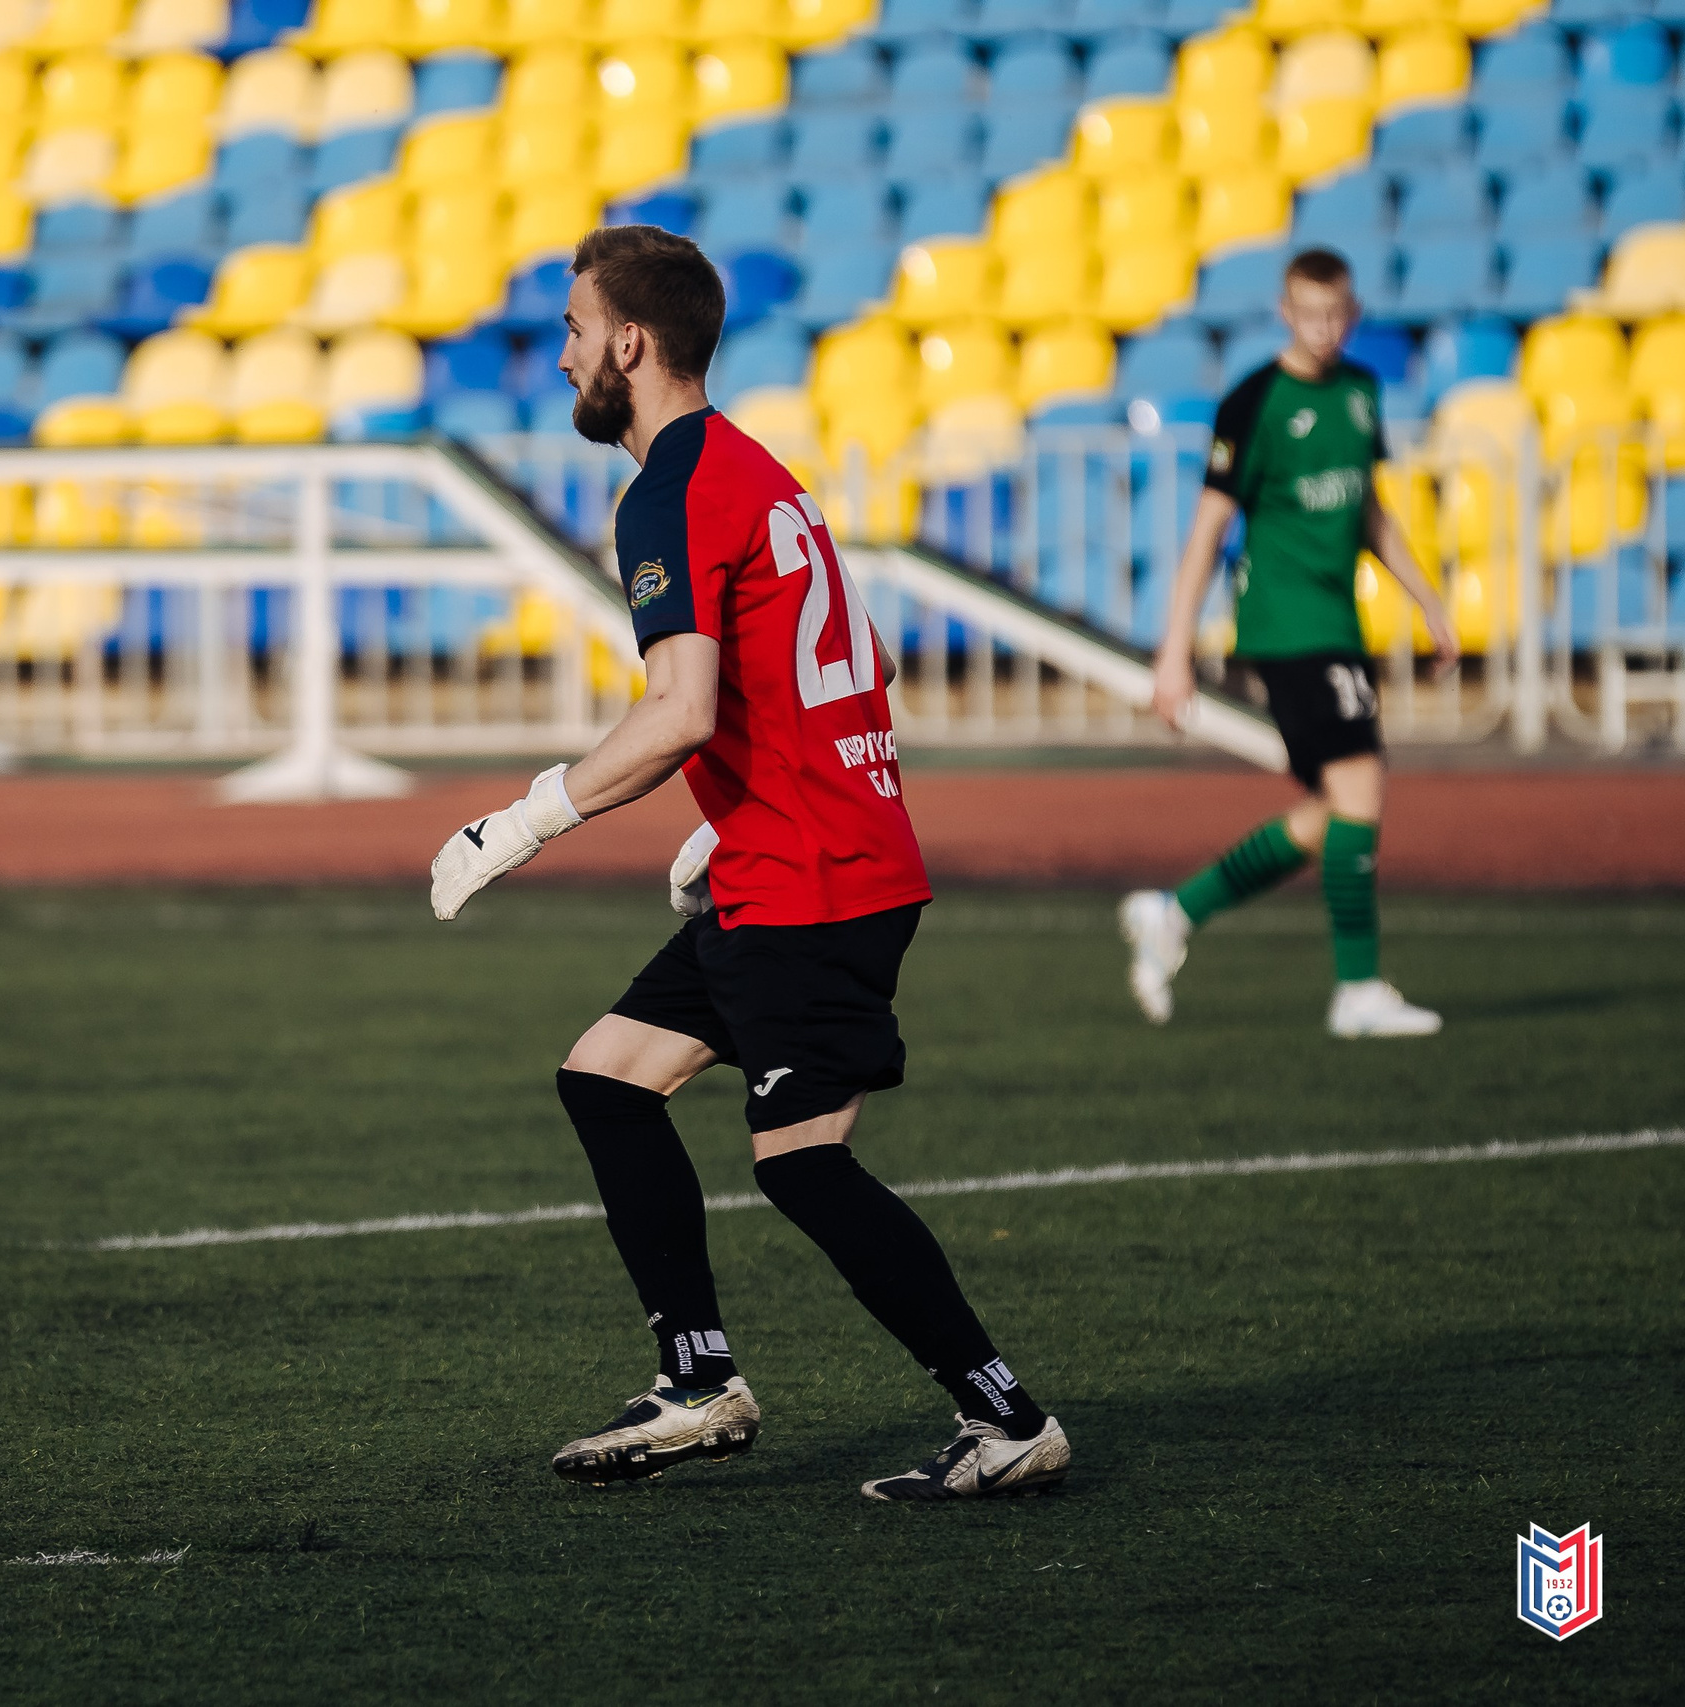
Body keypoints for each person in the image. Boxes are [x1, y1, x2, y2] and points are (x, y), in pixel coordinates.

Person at [427, 226, 1069, 1502]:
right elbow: (867, 663)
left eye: (571, 331)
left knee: (803, 1164)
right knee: (606, 1079)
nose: (559, 359)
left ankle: (1005, 1419)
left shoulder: (667, 490)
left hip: (812, 879)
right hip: (790, 858)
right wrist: (735, 816)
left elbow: (678, 713)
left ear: (628, 343)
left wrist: (524, 821)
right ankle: (698, 1380)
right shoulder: (756, 469)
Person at [1124, 247, 1460, 1038]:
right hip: (1285, 626)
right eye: (1308, 313)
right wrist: (1174, 650)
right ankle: (1358, 990)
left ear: (1354, 313)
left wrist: (1427, 599)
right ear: (1285, 312)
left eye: (1335, 314)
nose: (1322, 328)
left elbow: (1368, 509)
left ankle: (1176, 911)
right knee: (1362, 784)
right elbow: (1208, 529)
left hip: (1338, 623)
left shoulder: (1360, 392)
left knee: (1334, 810)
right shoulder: (1254, 401)